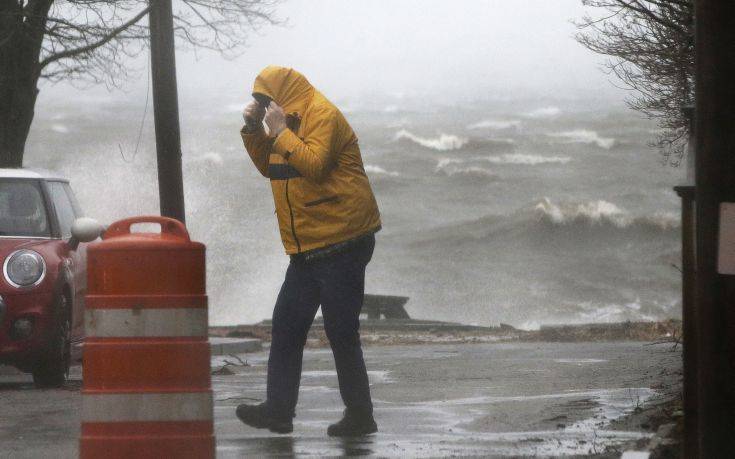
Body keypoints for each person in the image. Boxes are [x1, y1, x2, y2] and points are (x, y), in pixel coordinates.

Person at [235, 66, 382, 437]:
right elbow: (272, 168)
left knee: (340, 331)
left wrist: (280, 130)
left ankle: (360, 416)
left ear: (284, 94)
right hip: (307, 246)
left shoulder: (322, 114)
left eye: (267, 99)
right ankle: (279, 411)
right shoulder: (288, 121)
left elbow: (314, 166)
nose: (265, 106)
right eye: (260, 101)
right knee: (286, 327)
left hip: (343, 239)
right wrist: (254, 131)